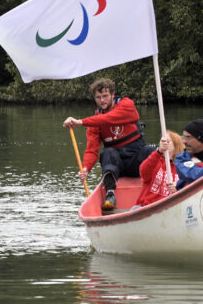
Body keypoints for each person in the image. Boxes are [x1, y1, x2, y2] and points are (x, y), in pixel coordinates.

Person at [63, 77, 155, 211]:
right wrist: (86, 168)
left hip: (136, 160)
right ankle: (110, 195)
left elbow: (109, 118)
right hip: (117, 166)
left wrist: (81, 122)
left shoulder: (127, 105)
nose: (102, 100)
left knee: (151, 151)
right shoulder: (95, 123)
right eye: (98, 97)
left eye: (105, 96)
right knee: (107, 153)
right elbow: (91, 150)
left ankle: (156, 189)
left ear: (112, 95)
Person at [134, 130, 184, 207]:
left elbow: (189, 189)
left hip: (169, 208)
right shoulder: (156, 160)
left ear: (176, 145)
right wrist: (159, 151)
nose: (164, 143)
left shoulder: (183, 167)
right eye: (163, 141)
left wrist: (178, 188)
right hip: (146, 206)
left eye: (168, 141)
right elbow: (143, 172)